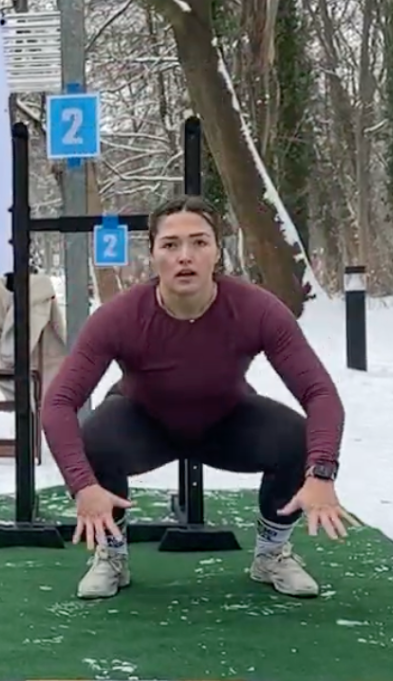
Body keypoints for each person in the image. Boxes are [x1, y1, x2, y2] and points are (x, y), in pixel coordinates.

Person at [39, 197, 351, 601]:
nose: (185, 256)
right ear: (152, 254)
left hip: (225, 421)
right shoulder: (118, 317)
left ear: (218, 251)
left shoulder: (258, 310)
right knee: (91, 440)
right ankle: (111, 556)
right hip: (143, 423)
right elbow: (59, 401)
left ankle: (271, 554)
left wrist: (321, 472)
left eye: (199, 243)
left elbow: (320, 393)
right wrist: (82, 486)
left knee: (298, 438)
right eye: (170, 245)